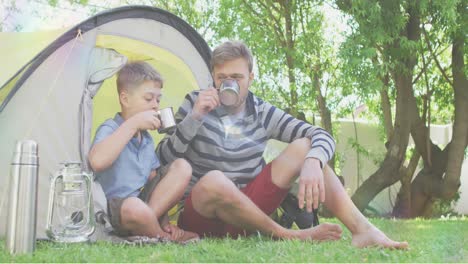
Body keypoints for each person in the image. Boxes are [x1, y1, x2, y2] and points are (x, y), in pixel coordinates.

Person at [156, 41, 408, 249]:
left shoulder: (263, 112)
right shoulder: (195, 102)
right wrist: (195, 117)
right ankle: (286, 234)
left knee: (304, 146)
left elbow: (321, 135)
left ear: (251, 77)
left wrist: (313, 161)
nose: (228, 84)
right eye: (221, 77)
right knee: (214, 180)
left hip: (247, 215)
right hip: (202, 216)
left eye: (236, 77)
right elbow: (164, 157)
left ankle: (363, 231)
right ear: (212, 77)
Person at [88, 61, 199, 243]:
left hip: (143, 205)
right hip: (118, 209)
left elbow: (152, 180)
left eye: (158, 99)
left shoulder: (146, 139)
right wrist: (133, 124)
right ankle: (164, 238)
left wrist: (163, 219)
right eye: (148, 99)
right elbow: (97, 161)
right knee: (134, 206)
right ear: (125, 99)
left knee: (182, 166)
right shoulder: (111, 128)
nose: (155, 105)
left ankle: (153, 226)